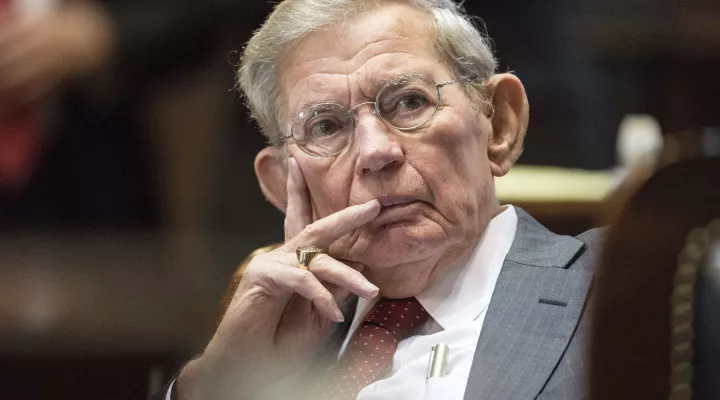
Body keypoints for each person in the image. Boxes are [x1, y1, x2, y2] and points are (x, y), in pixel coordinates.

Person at [159, 0, 603, 399]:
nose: (375, 152)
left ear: (499, 124)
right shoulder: (271, 338)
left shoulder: (623, 281)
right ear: (282, 184)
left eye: (409, 102)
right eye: (327, 127)